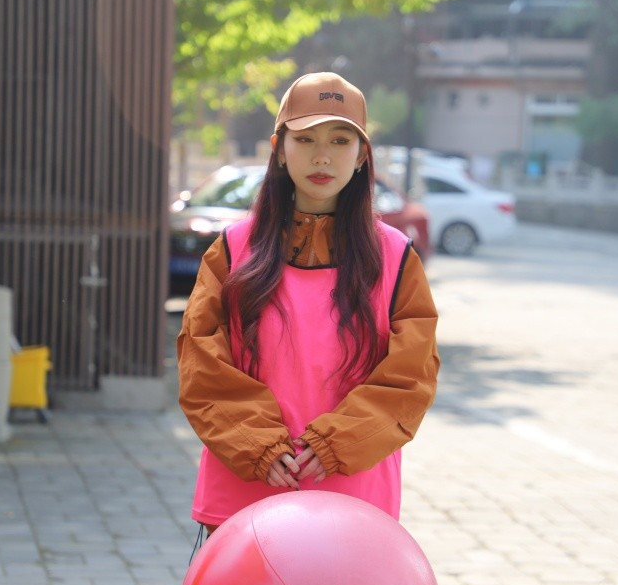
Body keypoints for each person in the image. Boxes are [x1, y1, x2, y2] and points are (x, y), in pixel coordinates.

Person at [177, 72, 439, 535]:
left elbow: (410, 378)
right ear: (279, 149)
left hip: (352, 494)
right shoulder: (233, 250)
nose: (322, 155)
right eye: (305, 139)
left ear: (362, 155)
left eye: (340, 140)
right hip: (246, 486)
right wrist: (256, 443)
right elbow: (202, 365)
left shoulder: (396, 258)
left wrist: (339, 443)